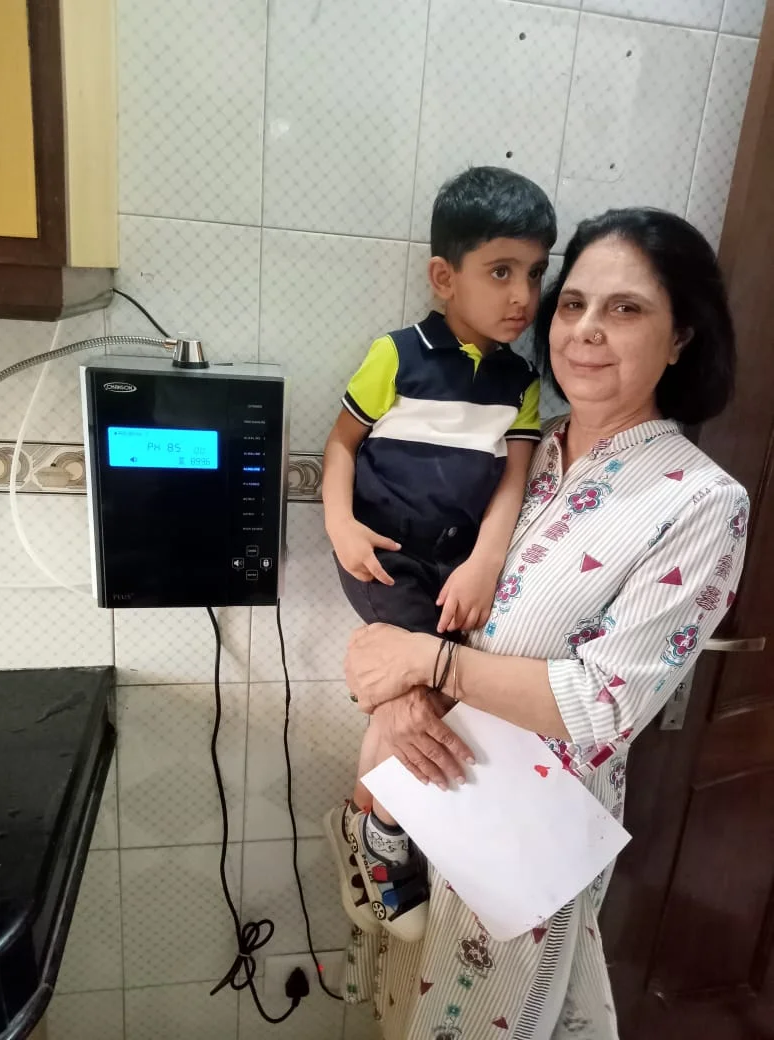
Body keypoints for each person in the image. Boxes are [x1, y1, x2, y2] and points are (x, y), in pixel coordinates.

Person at [340, 207, 749, 1039]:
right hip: (417, 798)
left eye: (625, 308)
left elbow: (602, 708)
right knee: (398, 1007)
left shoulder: (701, 503)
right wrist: (393, 683)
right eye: (573, 304)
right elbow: (413, 585)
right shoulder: (518, 449)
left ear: (680, 337)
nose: (586, 330)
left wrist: (427, 665)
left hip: (521, 833)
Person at [322, 167, 557, 942]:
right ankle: (381, 836)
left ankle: (370, 821)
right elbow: (340, 446)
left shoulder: (521, 382)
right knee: (414, 692)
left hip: (458, 567)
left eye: (535, 273)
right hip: (384, 557)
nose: (523, 296)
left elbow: (513, 481)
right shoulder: (397, 355)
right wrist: (340, 525)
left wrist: (486, 562)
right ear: (444, 277)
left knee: (438, 693)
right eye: (501, 272)